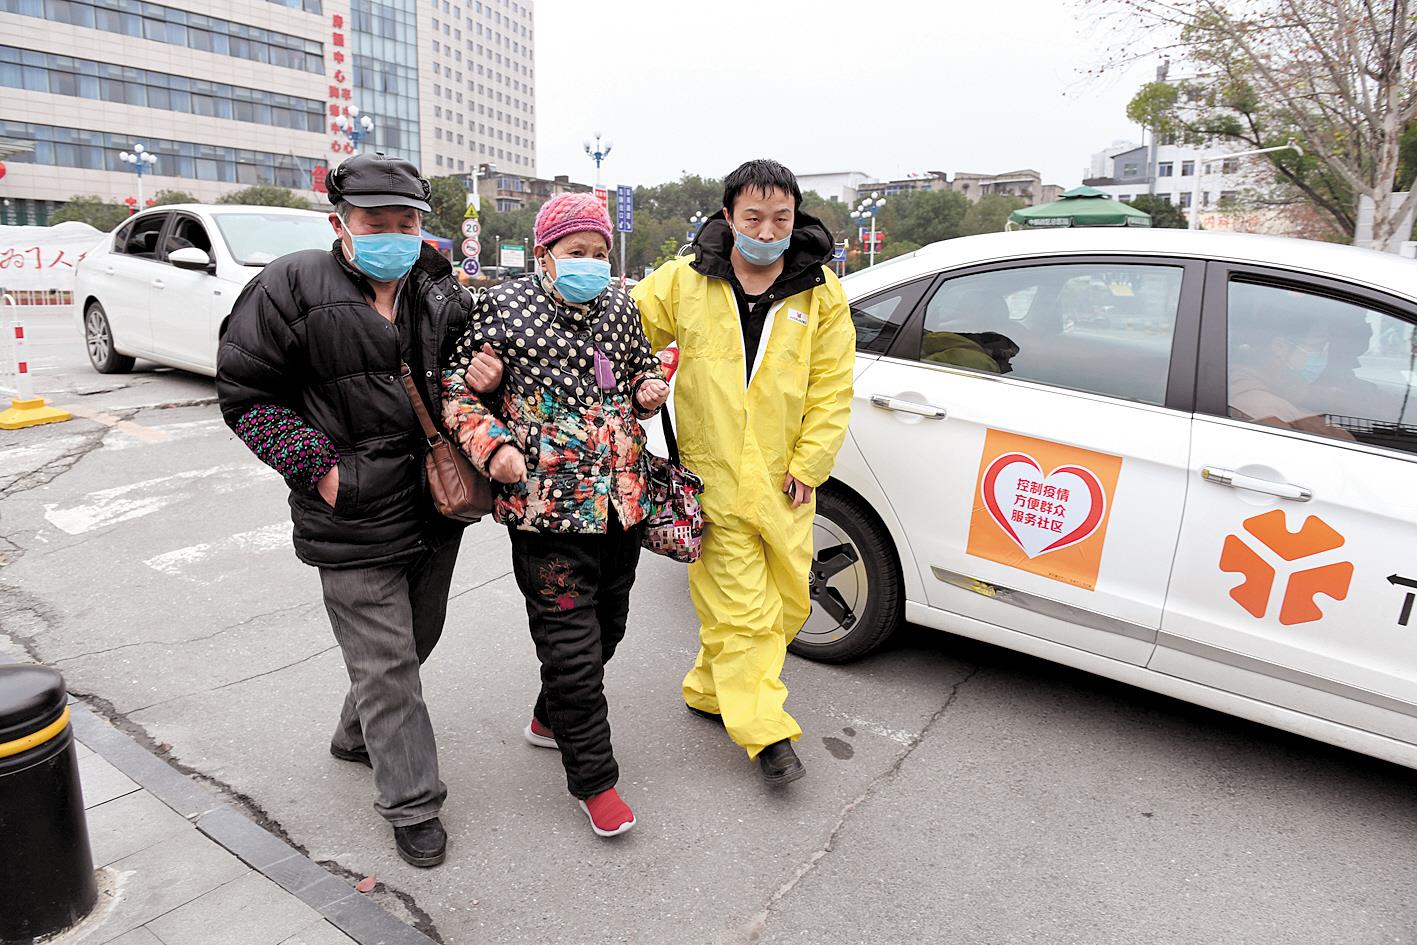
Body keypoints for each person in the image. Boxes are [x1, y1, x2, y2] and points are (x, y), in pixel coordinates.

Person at [215, 153, 501, 868]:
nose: (395, 237)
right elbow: (247, 393)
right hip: (348, 512)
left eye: (407, 223)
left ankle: (354, 734)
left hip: (434, 505)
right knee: (389, 665)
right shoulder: (290, 285)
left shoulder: (438, 288)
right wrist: (320, 469)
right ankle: (413, 804)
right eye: (377, 224)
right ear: (339, 223)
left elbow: (465, 386)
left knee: (415, 640)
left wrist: (486, 377)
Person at [441, 193, 669, 837]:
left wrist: (648, 389)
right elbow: (456, 390)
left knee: (608, 629)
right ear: (544, 254)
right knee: (571, 651)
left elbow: (638, 373)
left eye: (599, 253)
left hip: (621, 503)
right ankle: (595, 782)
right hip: (544, 511)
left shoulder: (621, 306)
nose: (590, 263)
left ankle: (550, 717)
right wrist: (495, 448)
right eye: (576, 252)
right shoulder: (501, 306)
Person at [632, 159, 855, 785]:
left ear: (796, 217)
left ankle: (710, 688)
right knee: (743, 611)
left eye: (780, 217)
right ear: (728, 217)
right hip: (713, 477)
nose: (766, 230)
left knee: (786, 602)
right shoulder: (684, 280)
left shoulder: (820, 291)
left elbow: (832, 386)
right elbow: (620, 329)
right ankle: (767, 733)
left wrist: (811, 462)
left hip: (786, 480)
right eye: (752, 217)